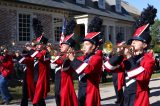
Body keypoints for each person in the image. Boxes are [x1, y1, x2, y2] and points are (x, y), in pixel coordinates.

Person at [104, 5, 157, 106]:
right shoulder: (128, 58)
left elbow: (143, 77)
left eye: (137, 41)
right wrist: (119, 54)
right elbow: (109, 68)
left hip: (139, 98)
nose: (133, 42)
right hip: (126, 97)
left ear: (145, 45)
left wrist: (128, 57)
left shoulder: (148, 59)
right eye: (133, 40)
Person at [68, 16, 103, 106]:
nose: (84, 47)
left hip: (91, 90)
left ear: (94, 46)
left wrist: (73, 59)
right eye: (83, 44)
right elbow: (73, 68)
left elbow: (88, 69)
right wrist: (68, 57)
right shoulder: (83, 57)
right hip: (82, 89)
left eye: (87, 44)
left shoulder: (97, 57)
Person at [50, 19, 78, 106]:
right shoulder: (63, 55)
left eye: (64, 45)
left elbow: (60, 63)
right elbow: (53, 65)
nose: (61, 46)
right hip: (61, 80)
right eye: (61, 44)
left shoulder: (69, 56)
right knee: (59, 98)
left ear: (69, 47)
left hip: (67, 82)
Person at [31, 35, 50, 106]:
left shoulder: (46, 52)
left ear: (43, 44)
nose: (37, 45)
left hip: (41, 78)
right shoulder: (36, 52)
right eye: (37, 44)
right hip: (34, 77)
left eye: (39, 44)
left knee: (39, 98)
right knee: (37, 98)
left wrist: (31, 49)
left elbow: (40, 56)